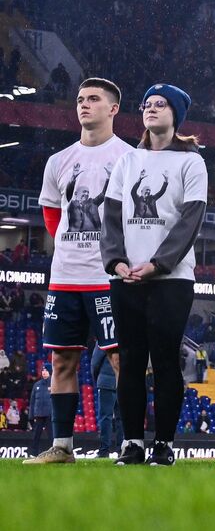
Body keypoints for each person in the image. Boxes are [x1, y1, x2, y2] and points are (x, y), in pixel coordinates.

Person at [26, 77, 131, 465]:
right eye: (80, 99)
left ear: (113, 109)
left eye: (93, 99)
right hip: (65, 276)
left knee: (121, 359)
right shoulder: (59, 161)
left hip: (108, 278)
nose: (84, 105)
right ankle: (63, 446)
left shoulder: (128, 158)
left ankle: (129, 443)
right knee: (61, 361)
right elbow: (52, 213)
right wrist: (73, 245)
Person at [101, 83, 207, 467]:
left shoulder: (191, 162)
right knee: (130, 360)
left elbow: (190, 221)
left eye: (161, 105)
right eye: (147, 104)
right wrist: (115, 261)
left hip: (171, 279)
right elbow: (110, 216)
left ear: (175, 114)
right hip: (125, 277)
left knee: (164, 361)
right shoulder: (127, 161)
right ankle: (131, 443)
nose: (151, 109)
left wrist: (158, 264)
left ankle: (163, 444)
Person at [93, 347, 119, 457]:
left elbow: (95, 363)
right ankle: (121, 450)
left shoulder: (103, 338)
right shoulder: (126, 337)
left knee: (105, 417)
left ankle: (104, 450)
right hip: (122, 381)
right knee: (121, 418)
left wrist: (98, 379)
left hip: (105, 382)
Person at [29, 366, 53, 457]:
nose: (44, 372)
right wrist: (31, 416)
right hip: (38, 414)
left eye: (46, 370)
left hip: (49, 415)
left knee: (52, 436)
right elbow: (32, 401)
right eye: (43, 370)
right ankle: (34, 454)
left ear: (50, 372)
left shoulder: (54, 384)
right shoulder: (37, 385)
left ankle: (53, 453)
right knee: (36, 436)